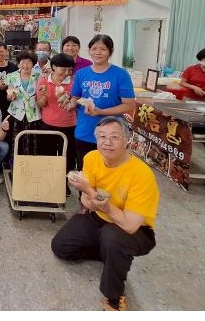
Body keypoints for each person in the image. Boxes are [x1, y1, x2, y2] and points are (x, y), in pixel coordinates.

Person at [51, 117, 159, 311]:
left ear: (127, 140)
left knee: (113, 238)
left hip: (135, 231)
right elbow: (86, 202)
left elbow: (130, 225)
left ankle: (115, 298)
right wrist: (89, 195)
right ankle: (112, 256)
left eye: (114, 137)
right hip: (98, 217)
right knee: (61, 247)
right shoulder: (92, 158)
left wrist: (90, 192)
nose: (107, 142)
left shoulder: (142, 175)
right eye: (102, 136)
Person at [69, 34, 135, 173]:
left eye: (103, 49)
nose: (98, 52)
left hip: (111, 135)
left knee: (110, 174)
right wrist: (70, 104)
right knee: (85, 172)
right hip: (85, 131)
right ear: (89, 50)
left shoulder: (120, 74)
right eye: (94, 49)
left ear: (110, 51)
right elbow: (75, 98)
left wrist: (101, 112)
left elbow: (129, 105)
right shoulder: (81, 74)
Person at [37, 54, 78, 179]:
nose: (66, 73)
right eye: (63, 69)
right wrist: (44, 95)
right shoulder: (44, 81)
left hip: (69, 124)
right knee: (47, 155)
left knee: (67, 156)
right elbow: (40, 104)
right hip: (48, 123)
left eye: (69, 70)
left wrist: (71, 102)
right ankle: (49, 181)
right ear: (54, 67)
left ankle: (64, 182)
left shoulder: (74, 82)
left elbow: (77, 105)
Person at [5, 50, 43, 155]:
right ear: (18, 63)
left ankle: (32, 162)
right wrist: (10, 97)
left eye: (28, 62)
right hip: (16, 114)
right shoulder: (11, 76)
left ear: (33, 64)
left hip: (33, 113)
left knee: (33, 141)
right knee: (17, 140)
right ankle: (16, 163)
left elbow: (41, 95)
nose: (25, 65)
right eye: (22, 62)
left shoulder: (39, 76)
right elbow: (8, 95)